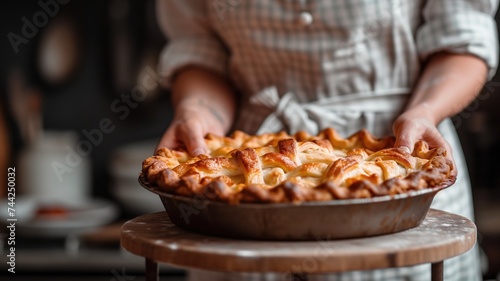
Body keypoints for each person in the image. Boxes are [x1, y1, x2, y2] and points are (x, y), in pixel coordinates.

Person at [155, 1, 499, 280]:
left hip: (401, 152)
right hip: (243, 180)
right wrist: (197, 115)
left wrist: (425, 111)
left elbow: (461, 38)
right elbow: (202, 54)